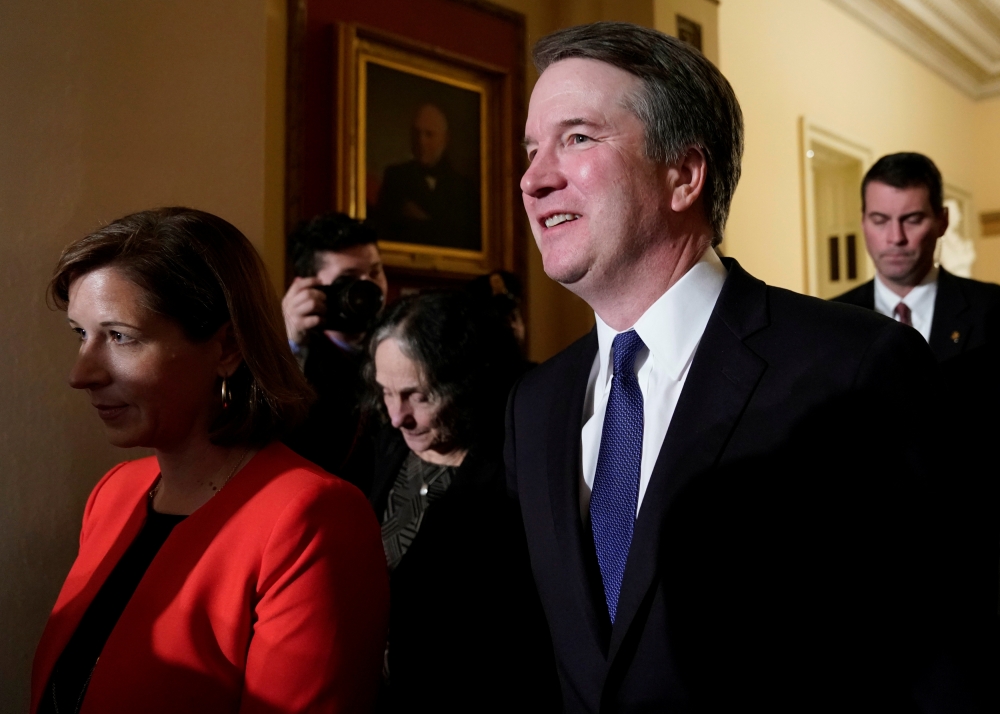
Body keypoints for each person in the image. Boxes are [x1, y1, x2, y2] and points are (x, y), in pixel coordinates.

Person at [507, 22, 973, 712]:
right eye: (532, 149)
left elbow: (936, 663)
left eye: (576, 138)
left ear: (685, 174)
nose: (534, 178)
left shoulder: (855, 368)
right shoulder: (535, 404)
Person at [33, 208, 388, 714]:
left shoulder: (313, 517)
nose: (81, 372)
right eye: (80, 334)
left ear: (225, 347)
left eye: (118, 336)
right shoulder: (114, 493)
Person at [363, 291, 557, 712]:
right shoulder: (382, 448)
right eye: (386, 392)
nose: (398, 416)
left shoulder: (518, 474)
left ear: (465, 385)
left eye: (419, 396)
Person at [834, 152, 1000, 361]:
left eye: (912, 220)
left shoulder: (992, 310)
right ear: (863, 222)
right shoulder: (833, 320)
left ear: (943, 221)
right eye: (880, 220)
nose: (896, 238)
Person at [281, 212, 387, 492]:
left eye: (375, 272)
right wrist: (291, 344)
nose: (370, 287)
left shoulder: (399, 340)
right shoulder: (297, 354)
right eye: (349, 278)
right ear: (311, 286)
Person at [373, 103, 480, 250]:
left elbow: (464, 241)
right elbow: (384, 233)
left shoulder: (464, 188)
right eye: (417, 134)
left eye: (429, 134)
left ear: (445, 139)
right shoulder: (395, 177)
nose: (421, 141)